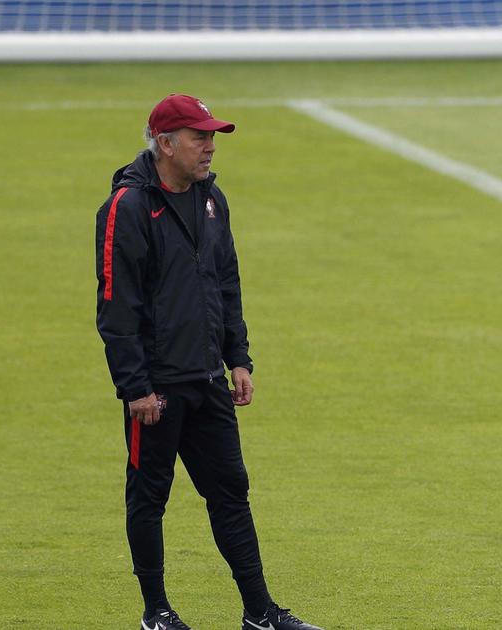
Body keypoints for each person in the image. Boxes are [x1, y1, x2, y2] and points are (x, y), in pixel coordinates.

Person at [95, 94, 323, 630]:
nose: (210, 146)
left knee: (231, 492)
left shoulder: (212, 198)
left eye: (212, 136)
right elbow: (114, 306)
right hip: (156, 388)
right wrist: (135, 387)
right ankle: (157, 612)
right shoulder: (126, 209)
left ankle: (260, 613)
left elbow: (225, 281)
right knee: (150, 496)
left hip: (207, 378)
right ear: (166, 143)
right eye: (200, 137)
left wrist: (237, 356)